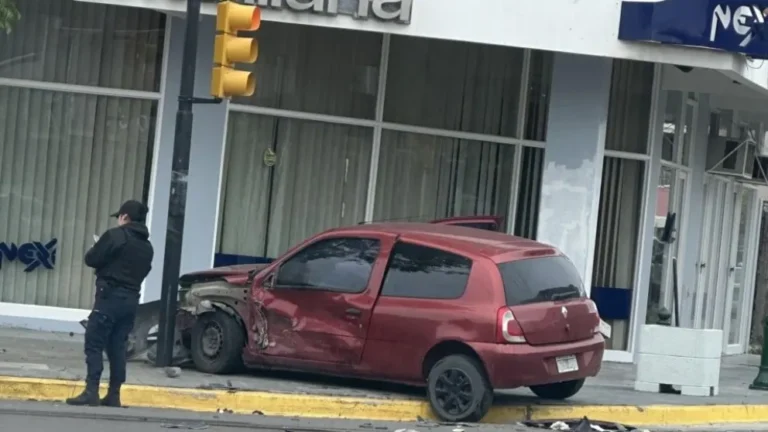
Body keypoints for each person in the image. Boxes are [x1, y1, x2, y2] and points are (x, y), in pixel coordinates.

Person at [66, 200, 154, 407]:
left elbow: (91, 259)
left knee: (94, 341)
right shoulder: (147, 247)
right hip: (131, 300)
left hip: (109, 297)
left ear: (124, 217)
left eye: (119, 217)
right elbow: (144, 271)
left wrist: (97, 248)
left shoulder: (115, 236)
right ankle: (114, 393)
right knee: (118, 346)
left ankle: (92, 390)